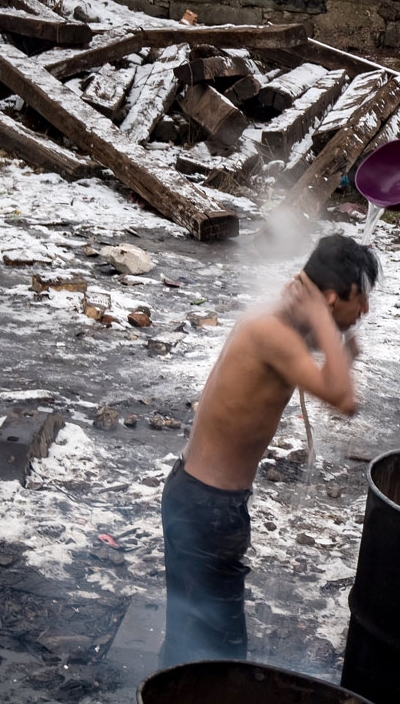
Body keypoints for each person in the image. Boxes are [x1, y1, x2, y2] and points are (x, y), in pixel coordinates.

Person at [159, 234, 379, 667]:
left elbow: (315, 356)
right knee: (215, 652)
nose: (365, 311)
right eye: (360, 299)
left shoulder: (273, 322)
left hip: (200, 501)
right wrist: (330, 334)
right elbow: (343, 399)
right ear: (332, 298)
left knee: (194, 637)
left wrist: (329, 332)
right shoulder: (275, 335)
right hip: (207, 510)